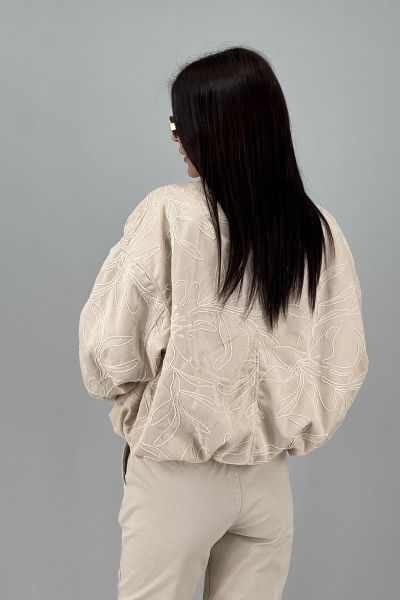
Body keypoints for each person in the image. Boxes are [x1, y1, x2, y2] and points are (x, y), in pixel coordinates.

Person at [78, 45, 369, 600]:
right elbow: (343, 362)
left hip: (176, 476)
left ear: (214, 128)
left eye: (180, 122)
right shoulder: (317, 230)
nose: (175, 137)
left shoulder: (171, 213)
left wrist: (144, 403)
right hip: (268, 484)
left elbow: (110, 350)